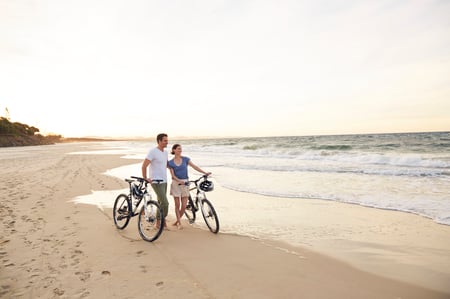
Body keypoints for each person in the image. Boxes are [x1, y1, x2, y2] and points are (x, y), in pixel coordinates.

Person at [168, 144, 211, 229]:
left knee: (184, 206)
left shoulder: (185, 159)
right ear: (174, 150)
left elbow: (195, 167)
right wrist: (179, 181)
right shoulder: (170, 163)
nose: (180, 150)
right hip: (176, 183)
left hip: (185, 182)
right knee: (177, 205)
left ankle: (177, 221)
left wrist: (204, 172)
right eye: (178, 149)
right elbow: (172, 176)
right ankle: (179, 223)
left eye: (181, 149)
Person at [141, 133, 170, 229]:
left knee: (160, 202)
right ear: (159, 141)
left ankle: (161, 222)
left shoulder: (165, 152)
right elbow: (144, 165)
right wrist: (145, 177)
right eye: (165, 140)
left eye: (167, 140)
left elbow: (166, 165)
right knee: (165, 203)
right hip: (155, 181)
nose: (167, 142)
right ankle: (159, 220)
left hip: (164, 180)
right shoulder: (153, 151)